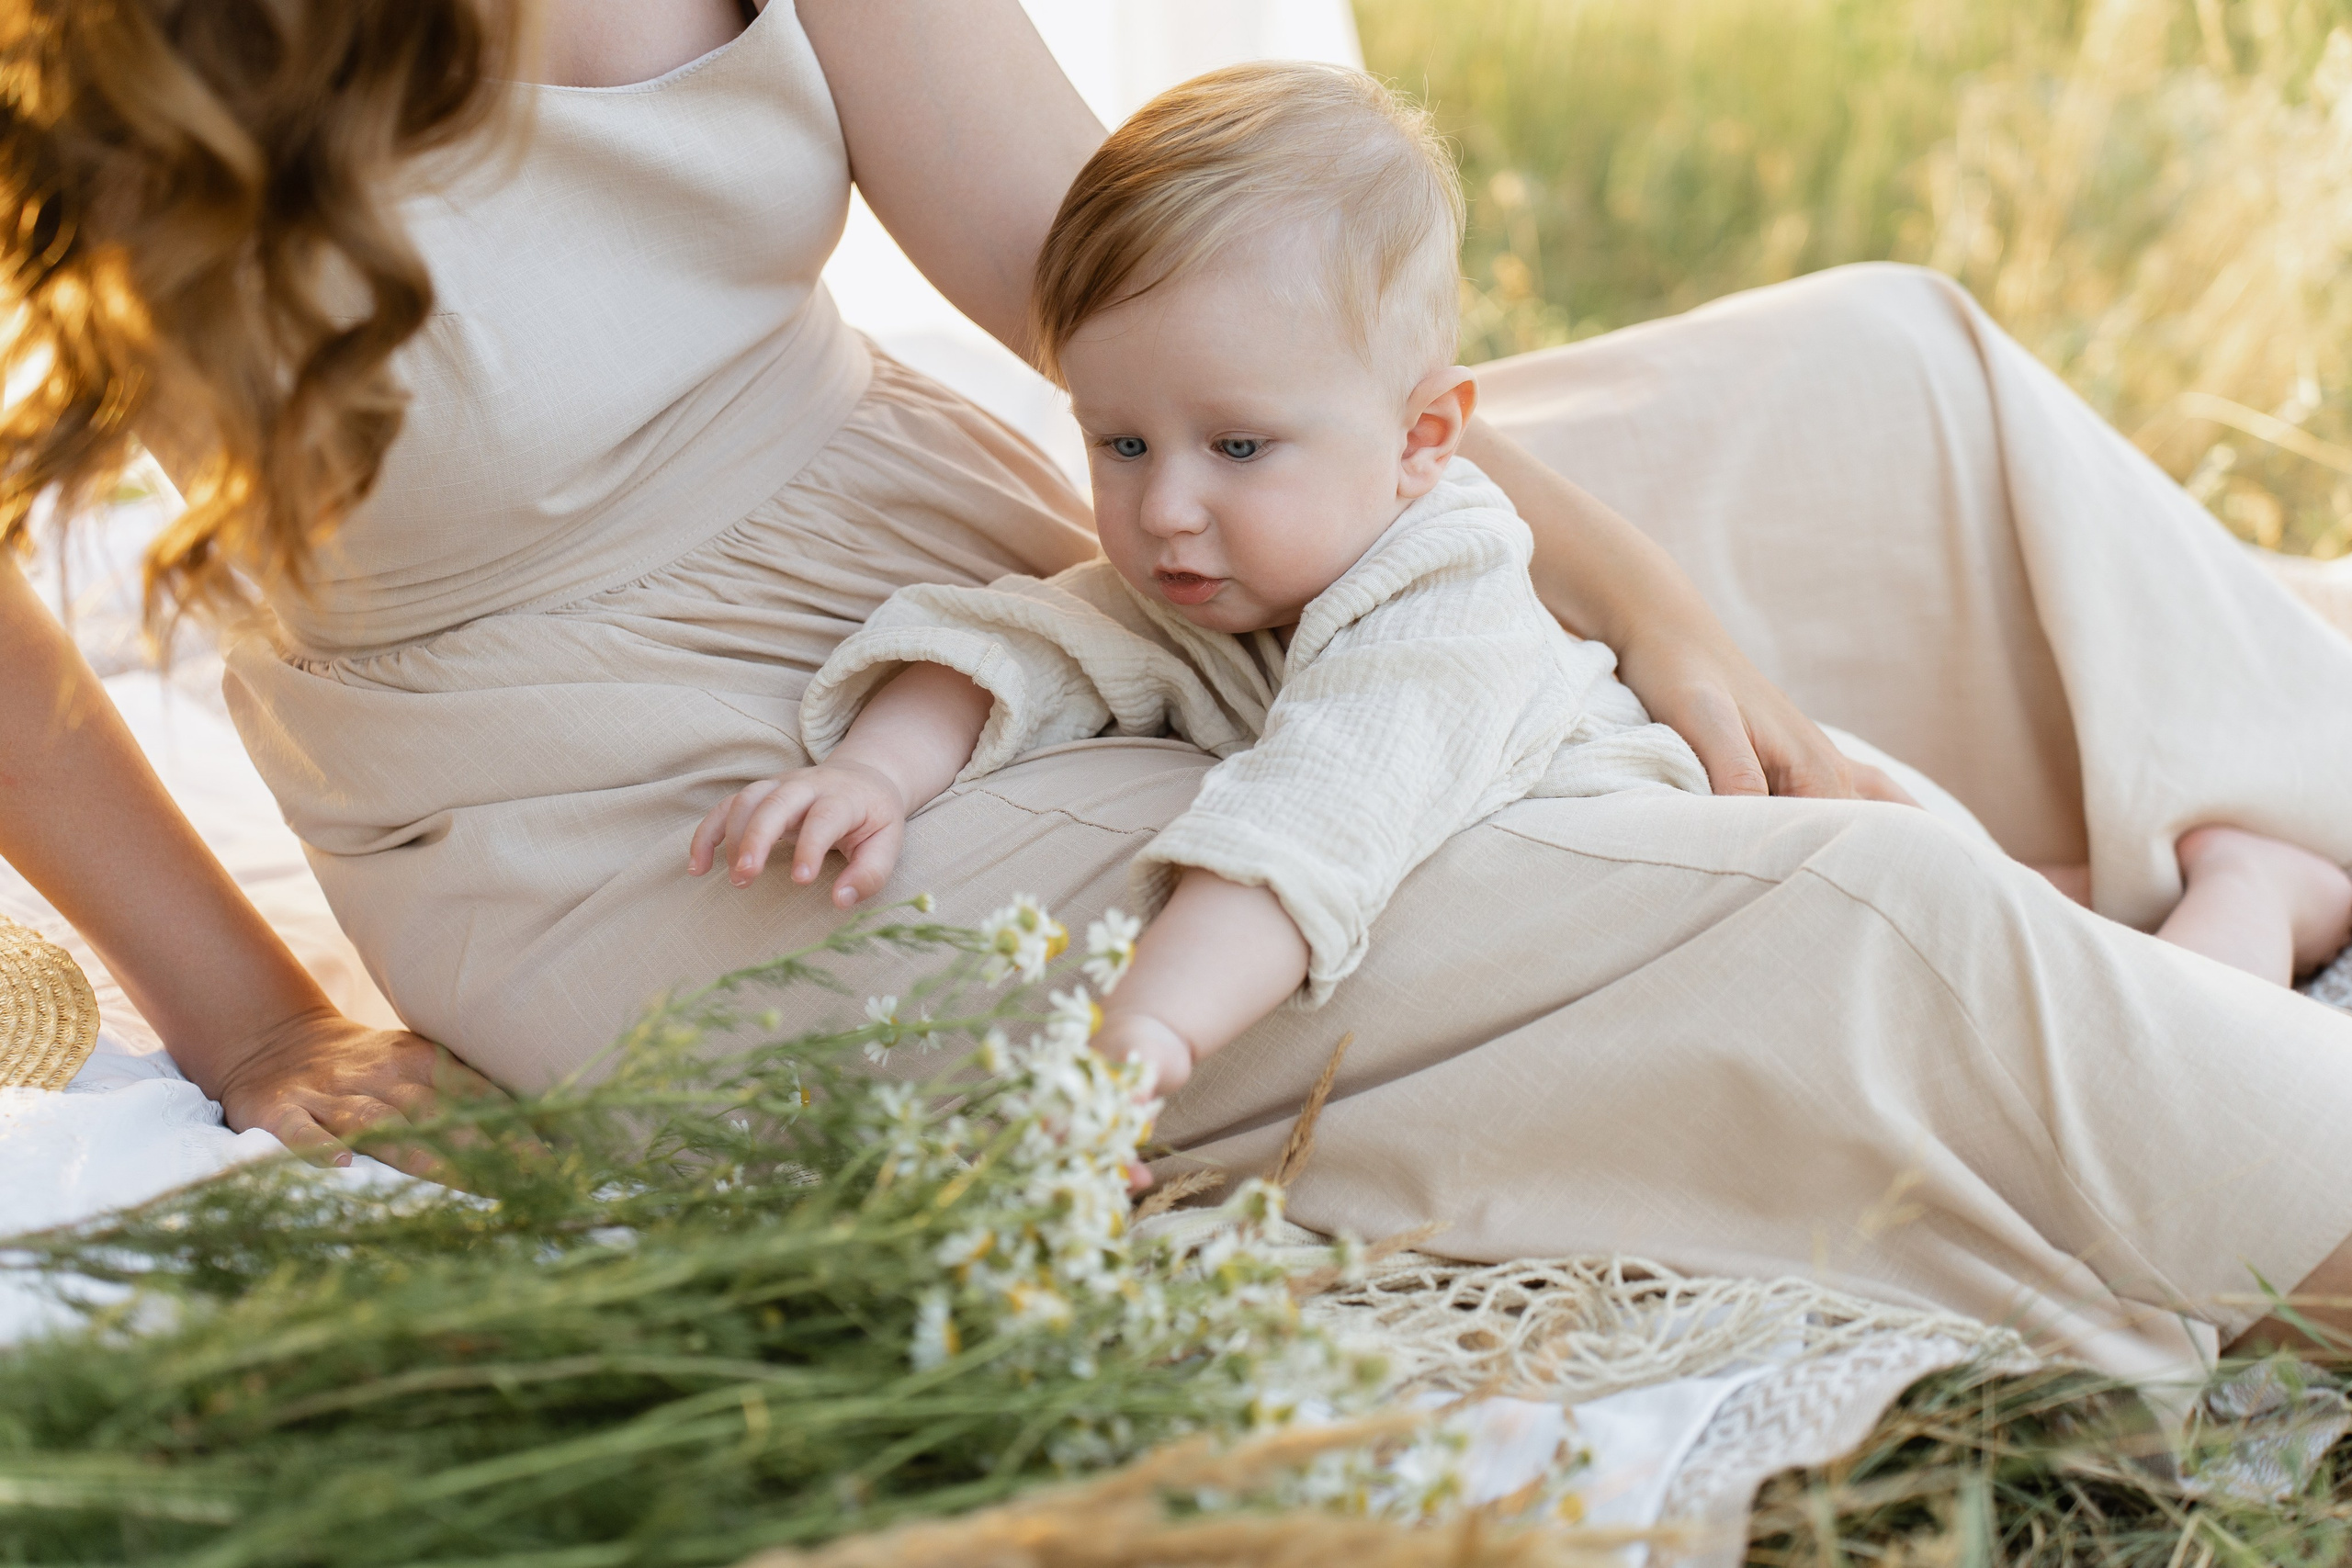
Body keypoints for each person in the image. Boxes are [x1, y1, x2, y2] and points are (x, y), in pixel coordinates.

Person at [8, 0, 2352, 1387]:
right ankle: (2237, 1054)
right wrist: (238, 1012)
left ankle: (2245, 883)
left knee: (1880, 385)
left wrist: (1627, 594)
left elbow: (1087, 257)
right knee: (1799, 924)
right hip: (641, 789)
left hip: (994, 538)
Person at [690, 63, 1712, 1094]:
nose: (1165, 507)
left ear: (1420, 437)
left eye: (1236, 448)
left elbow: (1314, 812)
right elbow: (1018, 645)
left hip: (1633, 871)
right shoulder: (1213, 577)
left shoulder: (1443, 602)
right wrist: (874, 773)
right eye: (1122, 443)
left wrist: (1149, 1027)